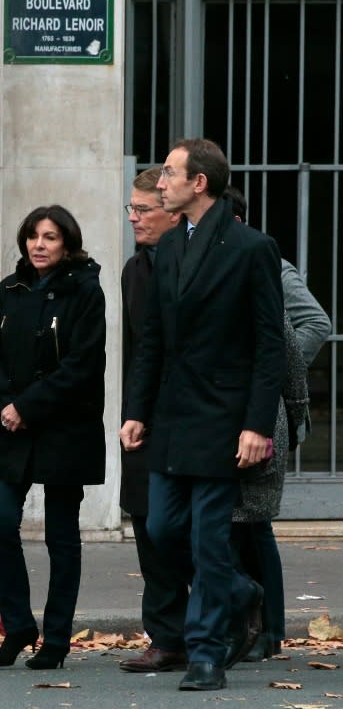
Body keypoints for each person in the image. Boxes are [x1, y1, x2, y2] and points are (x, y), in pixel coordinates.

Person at [120, 138, 286, 691]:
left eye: (168, 174)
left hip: (224, 418)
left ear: (200, 184)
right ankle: (239, 592)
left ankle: (207, 652)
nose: (158, 182)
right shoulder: (167, 250)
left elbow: (269, 346)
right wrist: (136, 410)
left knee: (208, 539)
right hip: (171, 417)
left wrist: (258, 424)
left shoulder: (250, 248)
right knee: (165, 529)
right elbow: (152, 344)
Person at [0, 205, 106, 670]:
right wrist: (7, 404)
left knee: (61, 536)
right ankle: (18, 626)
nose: (39, 245)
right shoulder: (10, 289)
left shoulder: (86, 291)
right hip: (12, 424)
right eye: (33, 236)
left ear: (67, 243)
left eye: (50, 237)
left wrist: (28, 406)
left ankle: (56, 638)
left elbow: (82, 364)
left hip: (64, 428)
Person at [228, 185, 331, 661]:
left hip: (262, 410)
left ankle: (269, 629)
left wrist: (274, 374)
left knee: (255, 523)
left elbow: (315, 323)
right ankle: (247, 625)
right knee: (236, 524)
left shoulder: (269, 265)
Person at [118, 168, 189, 674]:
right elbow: (137, 351)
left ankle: (231, 602)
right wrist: (132, 414)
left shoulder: (198, 262)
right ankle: (166, 637)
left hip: (194, 416)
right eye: (131, 209)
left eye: (143, 210)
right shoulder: (134, 269)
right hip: (146, 420)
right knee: (148, 526)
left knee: (191, 529)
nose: (134, 218)